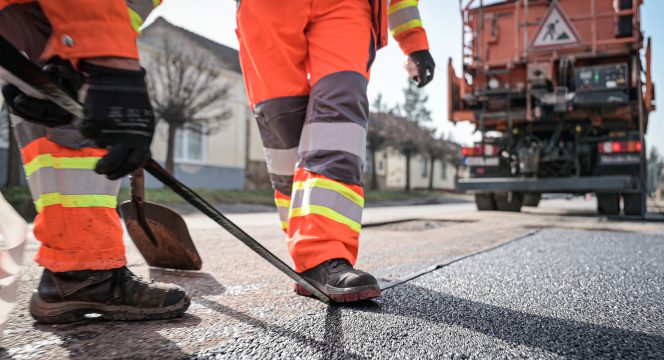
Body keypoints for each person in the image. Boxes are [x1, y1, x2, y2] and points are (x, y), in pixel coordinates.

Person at [0, 0, 189, 323]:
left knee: (68, 115)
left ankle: (80, 270)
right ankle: (83, 270)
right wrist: (110, 65)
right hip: (61, 15)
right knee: (76, 122)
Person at [236, 0, 435, 302]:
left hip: (347, 7)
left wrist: (414, 41)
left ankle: (322, 254)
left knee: (339, 118)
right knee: (283, 128)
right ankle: (306, 255)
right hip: (267, 9)